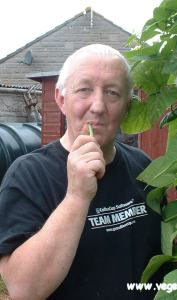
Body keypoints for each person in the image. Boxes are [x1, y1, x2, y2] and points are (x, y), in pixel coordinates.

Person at [0, 44, 162, 299]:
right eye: (84, 90)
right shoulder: (28, 175)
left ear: (127, 106)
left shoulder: (143, 166)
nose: (97, 106)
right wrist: (77, 195)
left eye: (112, 93)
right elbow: (24, 290)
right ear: (61, 99)